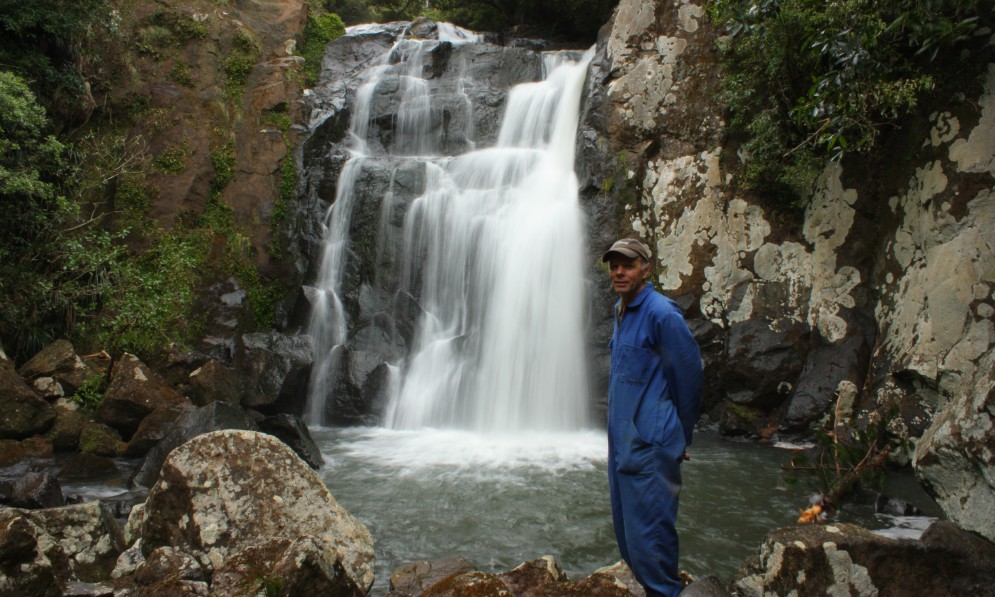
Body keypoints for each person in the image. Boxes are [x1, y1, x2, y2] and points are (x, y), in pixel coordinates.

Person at [603, 237, 703, 597]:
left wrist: (680, 436)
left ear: (646, 268)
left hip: (649, 446)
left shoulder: (661, 314)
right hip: (623, 446)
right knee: (629, 540)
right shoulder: (622, 310)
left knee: (652, 542)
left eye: (627, 264)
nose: (619, 271)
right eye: (614, 265)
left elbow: (689, 377)